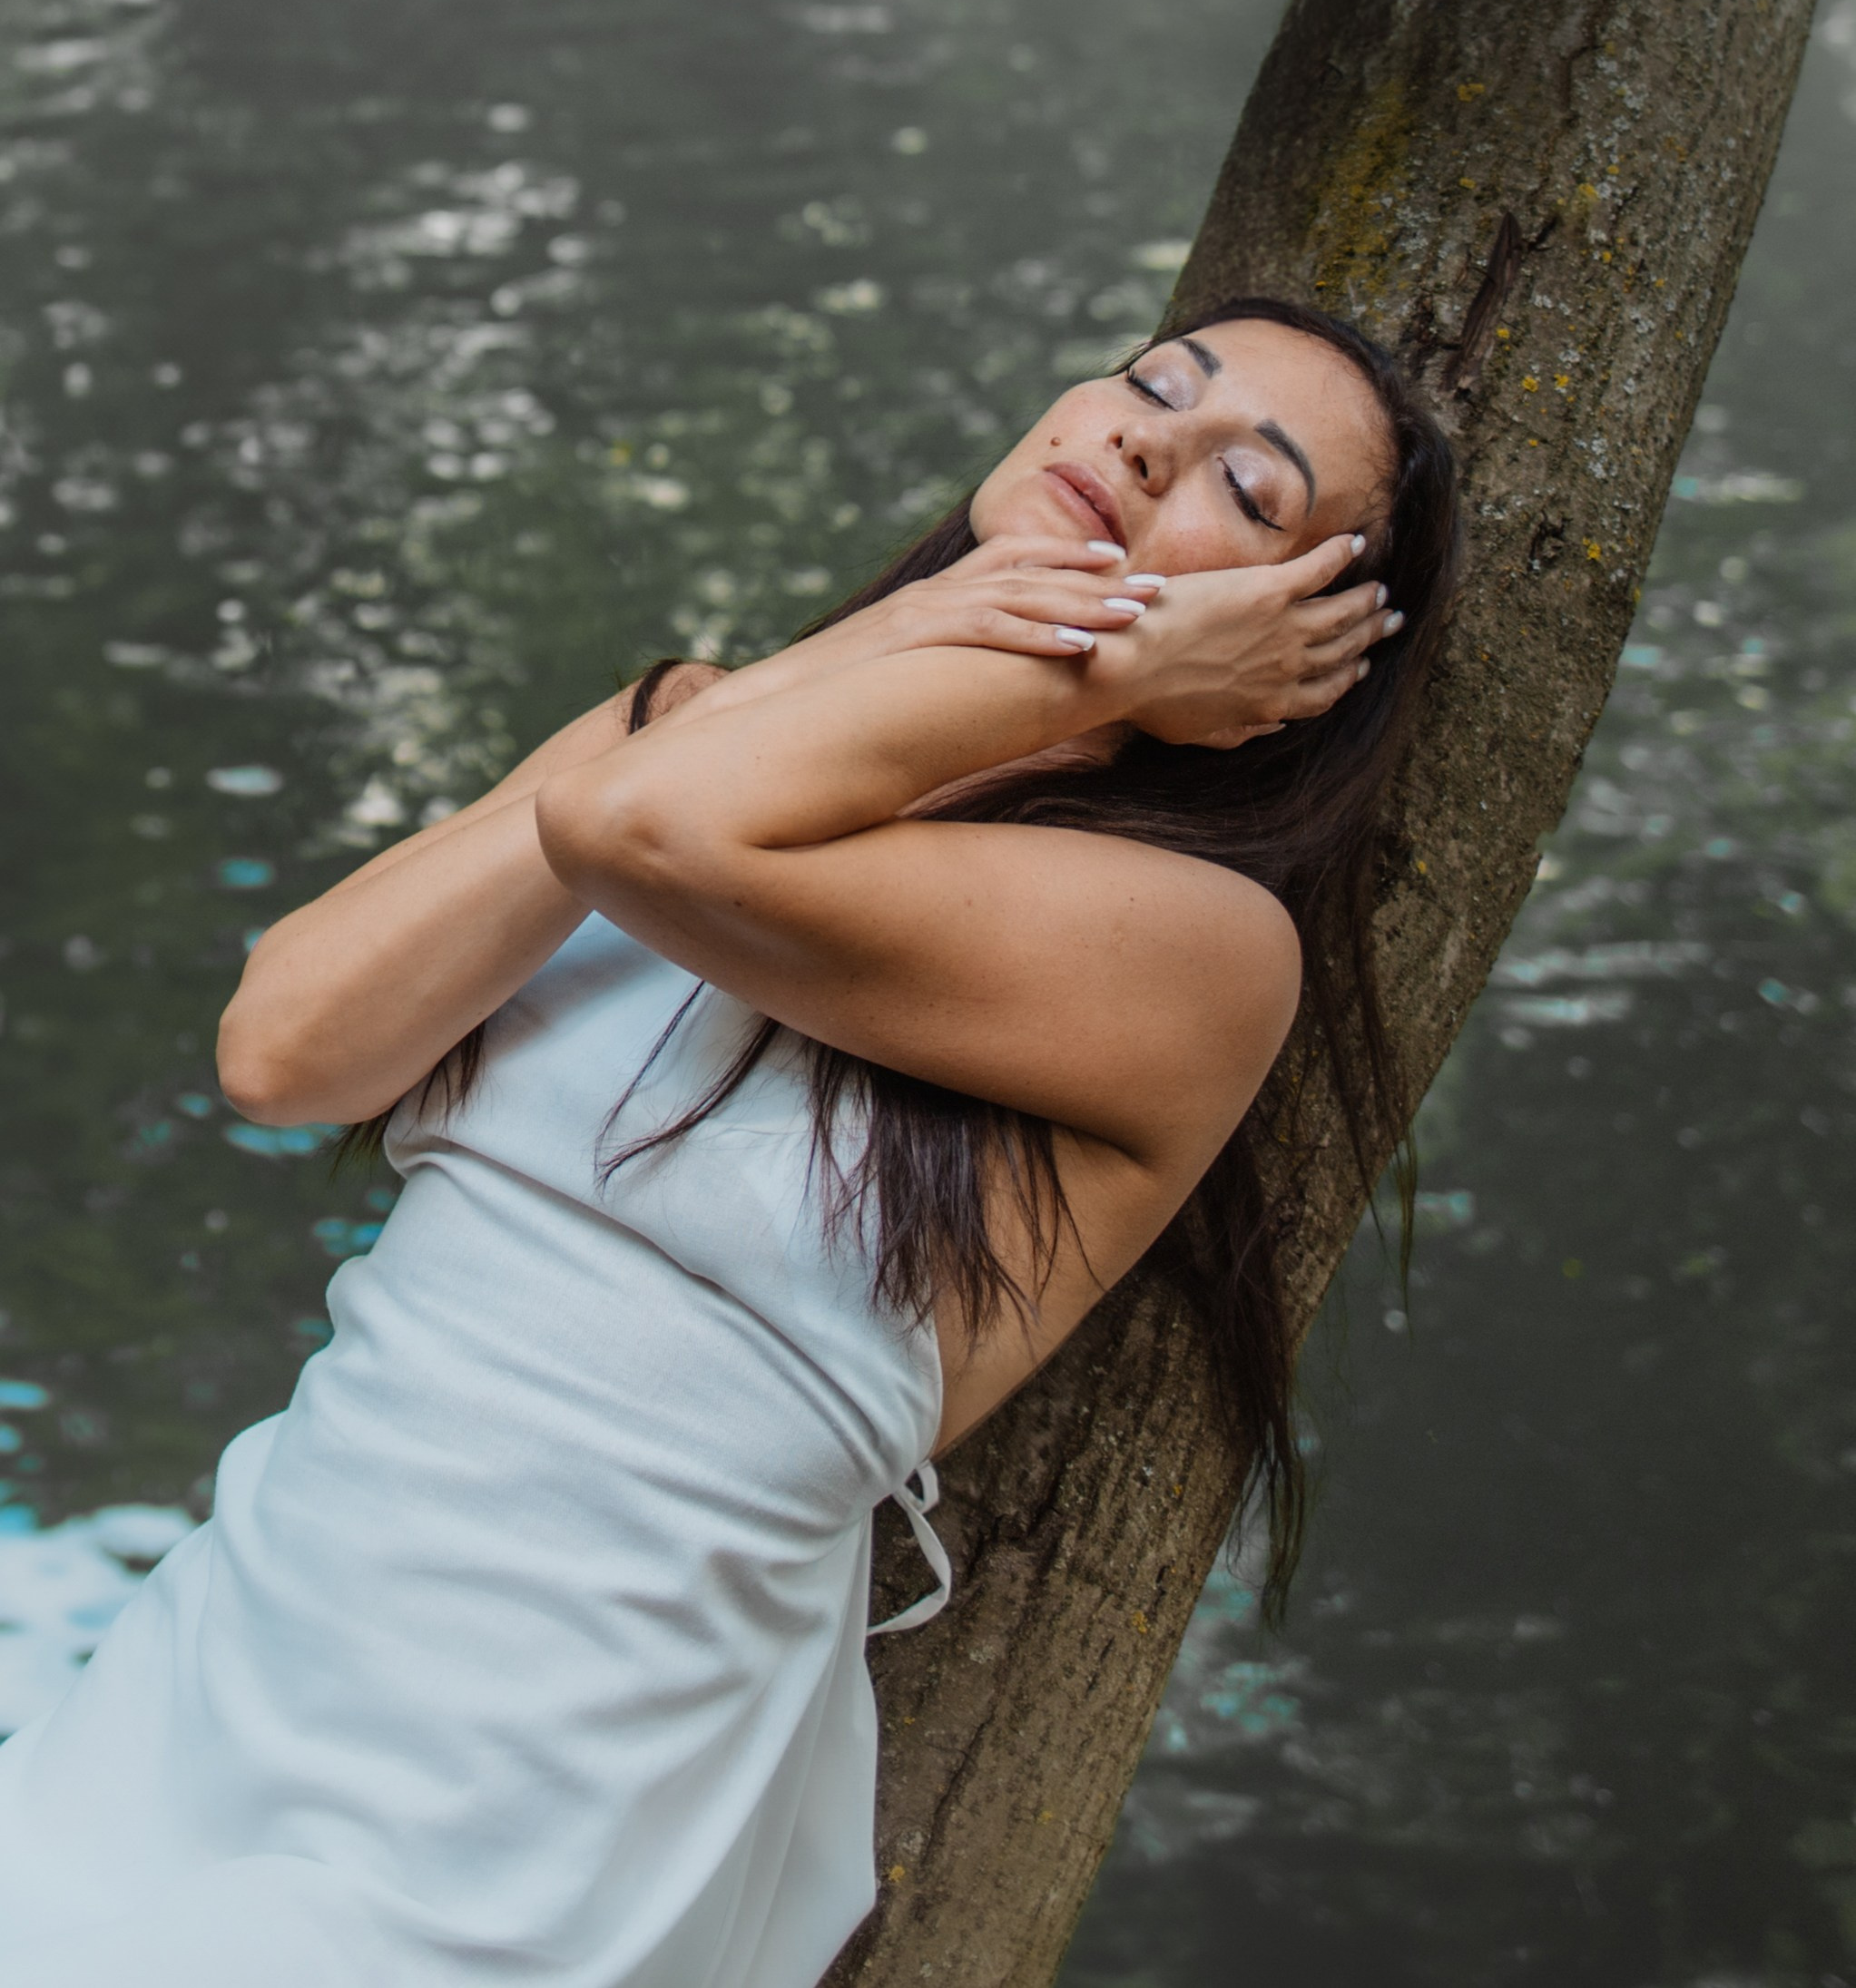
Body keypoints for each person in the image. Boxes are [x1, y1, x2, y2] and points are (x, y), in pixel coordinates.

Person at [0, 293, 1458, 1988]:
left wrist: (1088, 670)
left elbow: (639, 831)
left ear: (1299, 647)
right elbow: (286, 1050)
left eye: (1246, 488)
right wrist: (891, 642)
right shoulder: (686, 729)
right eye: (1150, 385)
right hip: (234, 1646)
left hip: (533, 1777)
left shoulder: (1200, 951)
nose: (1144, 443)